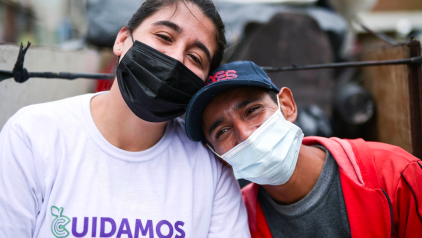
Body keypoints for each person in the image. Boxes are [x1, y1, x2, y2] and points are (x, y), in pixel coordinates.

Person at [0, 1, 250, 237]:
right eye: (164, 37)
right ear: (122, 40)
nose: (175, 58)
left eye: (195, 58)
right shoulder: (33, 135)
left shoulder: (211, 170)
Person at [185, 61, 422, 237]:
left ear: (286, 106)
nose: (246, 134)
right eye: (222, 132)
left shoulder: (396, 175)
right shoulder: (237, 222)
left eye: (252, 110)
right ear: (218, 156)